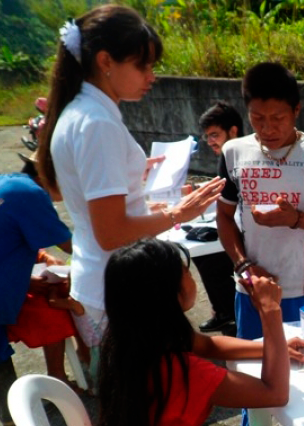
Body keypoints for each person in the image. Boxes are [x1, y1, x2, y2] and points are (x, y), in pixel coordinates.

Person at [36, 5, 225, 383]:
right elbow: (110, 230)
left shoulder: (80, 112)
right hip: (120, 285)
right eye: (143, 65)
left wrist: (145, 203)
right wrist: (178, 213)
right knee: (151, 399)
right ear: (105, 61)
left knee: (138, 399)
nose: (151, 77)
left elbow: (92, 207)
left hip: (106, 279)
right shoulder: (97, 123)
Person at [217, 62, 304, 426]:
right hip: (251, 294)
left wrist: (296, 219)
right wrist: (244, 266)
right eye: (257, 118)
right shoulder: (233, 152)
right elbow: (224, 219)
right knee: (254, 384)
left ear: (297, 110)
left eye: (278, 117)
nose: (267, 128)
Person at [90, 238, 304, 426]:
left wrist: (275, 348)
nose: (192, 277)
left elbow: (209, 345)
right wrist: (270, 310)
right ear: (170, 294)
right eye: (186, 272)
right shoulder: (184, 372)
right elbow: (274, 394)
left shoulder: (129, 340)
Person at [0, 156, 82, 425]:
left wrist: (37, 266)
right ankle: (12, 412)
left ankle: (52, 381)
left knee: (48, 304)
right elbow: (70, 245)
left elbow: (12, 238)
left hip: (10, 283)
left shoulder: (11, 185)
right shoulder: (29, 193)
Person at [193, 101, 243, 334]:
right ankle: (223, 310)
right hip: (231, 220)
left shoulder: (239, 154)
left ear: (233, 131)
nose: (210, 141)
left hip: (246, 228)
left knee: (208, 255)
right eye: (207, 137)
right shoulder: (227, 155)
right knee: (201, 250)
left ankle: (227, 312)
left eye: (215, 135)